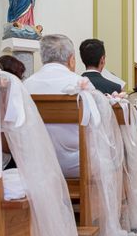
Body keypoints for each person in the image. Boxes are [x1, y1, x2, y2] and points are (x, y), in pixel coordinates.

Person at [25, 34, 90, 176]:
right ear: (71, 60)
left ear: (42, 58)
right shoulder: (80, 83)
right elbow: (94, 127)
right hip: (76, 164)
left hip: (37, 165)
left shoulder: (26, 85)